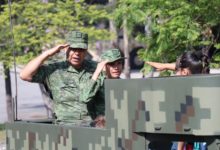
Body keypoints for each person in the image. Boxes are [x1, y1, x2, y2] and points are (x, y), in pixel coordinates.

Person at [20, 31, 101, 126]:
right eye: (73, 49)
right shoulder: (53, 69)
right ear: (66, 48)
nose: (77, 54)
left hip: (92, 127)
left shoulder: (96, 68)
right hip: (65, 128)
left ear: (86, 50)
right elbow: (24, 75)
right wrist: (47, 54)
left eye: (81, 50)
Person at [146, 50, 210, 150]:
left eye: (176, 71)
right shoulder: (199, 80)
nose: (175, 73)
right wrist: (166, 66)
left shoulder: (184, 91)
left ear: (184, 72)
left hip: (185, 141)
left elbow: (183, 125)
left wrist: (179, 148)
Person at [83, 49, 125, 128]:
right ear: (103, 66)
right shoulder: (98, 82)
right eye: (112, 64)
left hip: (121, 126)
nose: (116, 67)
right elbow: (85, 98)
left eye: (119, 63)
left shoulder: (124, 84)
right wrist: (97, 71)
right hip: (102, 127)